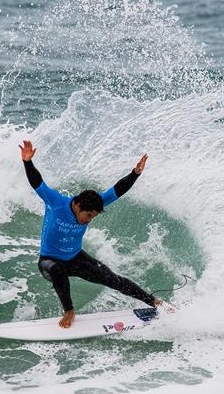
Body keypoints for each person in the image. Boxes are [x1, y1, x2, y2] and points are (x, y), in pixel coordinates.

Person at [19, 140, 162, 328]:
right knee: (57, 270)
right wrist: (27, 162)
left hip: (76, 258)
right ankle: (69, 311)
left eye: (93, 217)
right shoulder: (56, 203)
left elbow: (117, 190)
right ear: (77, 206)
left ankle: (153, 301)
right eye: (87, 216)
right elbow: (37, 182)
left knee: (112, 279)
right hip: (49, 261)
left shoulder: (94, 203)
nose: (88, 220)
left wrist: (135, 174)